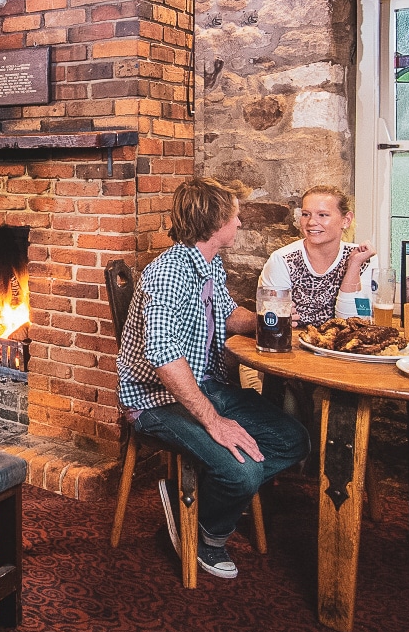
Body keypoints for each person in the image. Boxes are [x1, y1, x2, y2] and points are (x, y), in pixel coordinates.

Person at [117, 177, 309, 580]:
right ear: (214, 221)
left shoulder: (207, 264)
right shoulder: (169, 274)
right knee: (243, 472)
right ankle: (208, 534)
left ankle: (195, 501)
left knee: (295, 441)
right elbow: (164, 357)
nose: (240, 223)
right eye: (234, 216)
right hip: (155, 400)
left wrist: (273, 323)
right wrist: (214, 422)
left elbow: (226, 313)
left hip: (204, 384)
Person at [260, 185, 375, 328]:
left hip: (344, 347)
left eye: (323, 215)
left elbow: (354, 324)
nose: (311, 222)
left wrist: (354, 266)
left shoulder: (363, 258)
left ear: (346, 220)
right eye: (306, 214)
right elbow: (274, 325)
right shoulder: (282, 260)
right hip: (295, 347)